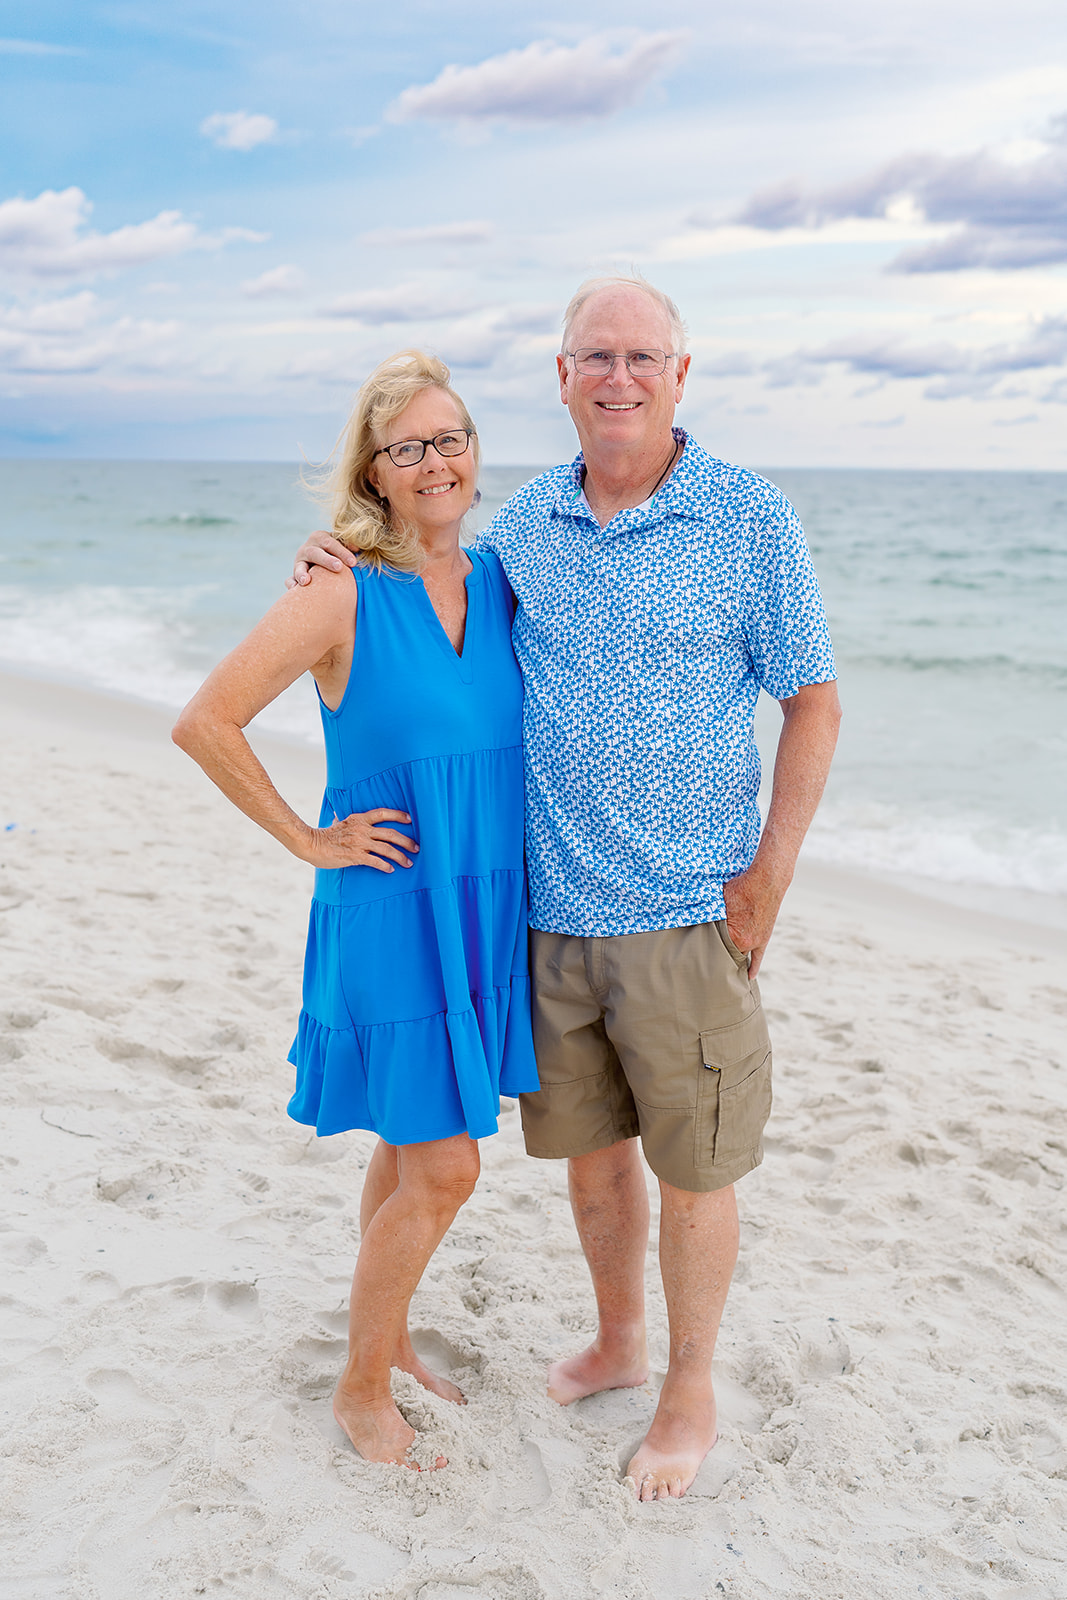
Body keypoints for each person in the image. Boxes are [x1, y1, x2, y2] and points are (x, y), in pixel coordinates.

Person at [291, 276, 842, 1500]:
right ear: (560, 376)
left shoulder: (748, 519)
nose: (618, 377)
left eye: (642, 356)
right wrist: (338, 545)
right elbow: (419, 575)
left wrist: (769, 875)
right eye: (595, 356)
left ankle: (686, 1394)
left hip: (688, 911)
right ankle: (615, 1343)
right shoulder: (527, 525)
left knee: (694, 1171)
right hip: (543, 918)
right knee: (593, 1163)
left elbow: (812, 699)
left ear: (680, 375)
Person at [173, 349, 538, 1472]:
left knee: (406, 1144)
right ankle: (360, 1387)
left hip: (477, 911)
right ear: (373, 473)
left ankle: (383, 1346)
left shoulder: (504, 576)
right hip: (389, 910)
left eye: (451, 438)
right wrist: (306, 838)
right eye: (408, 446)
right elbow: (207, 720)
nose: (435, 461)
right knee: (446, 1166)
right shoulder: (338, 588)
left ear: (476, 453)